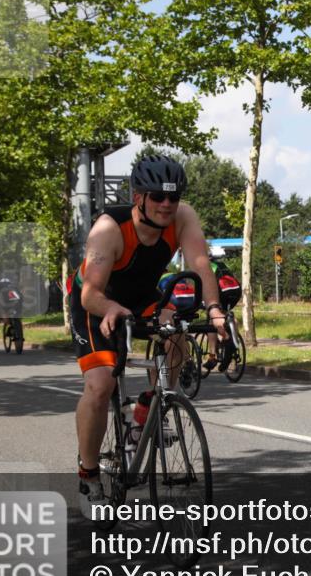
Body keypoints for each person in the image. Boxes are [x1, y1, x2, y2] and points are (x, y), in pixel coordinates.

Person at [68, 154, 228, 516]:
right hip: (96, 302)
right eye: (158, 196)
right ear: (138, 196)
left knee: (177, 334)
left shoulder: (183, 216)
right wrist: (109, 308)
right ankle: (88, 474)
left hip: (141, 297)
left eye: (173, 196)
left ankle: (145, 416)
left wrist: (215, 311)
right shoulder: (108, 229)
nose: (167, 204)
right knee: (100, 384)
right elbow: (90, 293)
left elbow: (200, 264)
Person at [202, 255, 241, 371]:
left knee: (212, 318)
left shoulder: (205, 267)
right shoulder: (221, 265)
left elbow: (205, 288)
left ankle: (213, 356)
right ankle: (234, 339)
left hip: (222, 291)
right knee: (226, 314)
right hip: (235, 291)